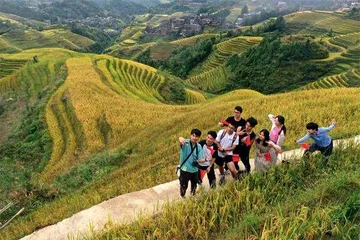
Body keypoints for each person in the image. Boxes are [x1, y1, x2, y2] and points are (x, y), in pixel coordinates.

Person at [219, 106, 246, 172]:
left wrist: (238, 134)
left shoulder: (243, 122)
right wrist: (221, 124)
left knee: (236, 155)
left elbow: (244, 132)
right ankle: (226, 167)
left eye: (237, 112)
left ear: (240, 113)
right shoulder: (230, 119)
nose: (235, 114)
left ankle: (235, 165)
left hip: (237, 142)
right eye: (234, 112)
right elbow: (223, 123)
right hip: (228, 141)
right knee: (227, 154)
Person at [178, 129, 204, 198]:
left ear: (199, 138)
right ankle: (182, 196)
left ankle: (192, 197)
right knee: (184, 185)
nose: (194, 138)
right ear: (190, 135)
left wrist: (202, 160)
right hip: (185, 170)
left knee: (194, 185)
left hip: (195, 170)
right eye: (193, 136)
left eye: (197, 136)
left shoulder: (198, 146)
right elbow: (181, 141)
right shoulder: (185, 143)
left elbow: (200, 158)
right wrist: (180, 138)